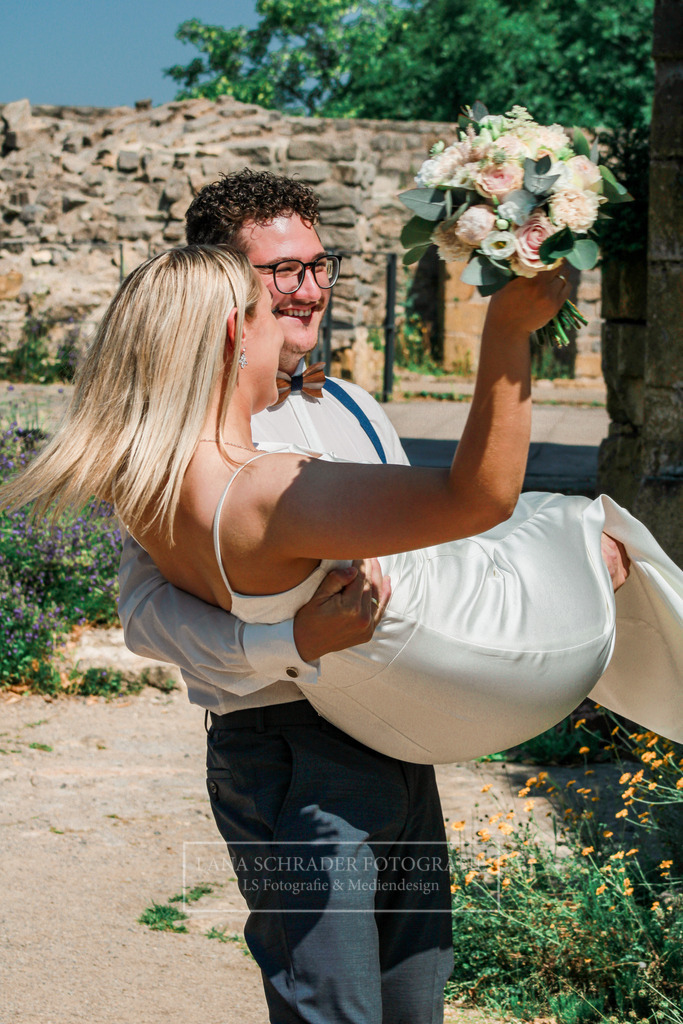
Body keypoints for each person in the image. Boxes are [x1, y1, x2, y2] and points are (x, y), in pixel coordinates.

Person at [3, 223, 680, 1024]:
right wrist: (506, 334)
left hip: (368, 740)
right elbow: (479, 499)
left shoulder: (153, 481)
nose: (294, 316)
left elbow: (429, 559)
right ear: (233, 332)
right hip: (304, 765)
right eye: (269, 301)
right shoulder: (263, 490)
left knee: (397, 1000)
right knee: (342, 1010)